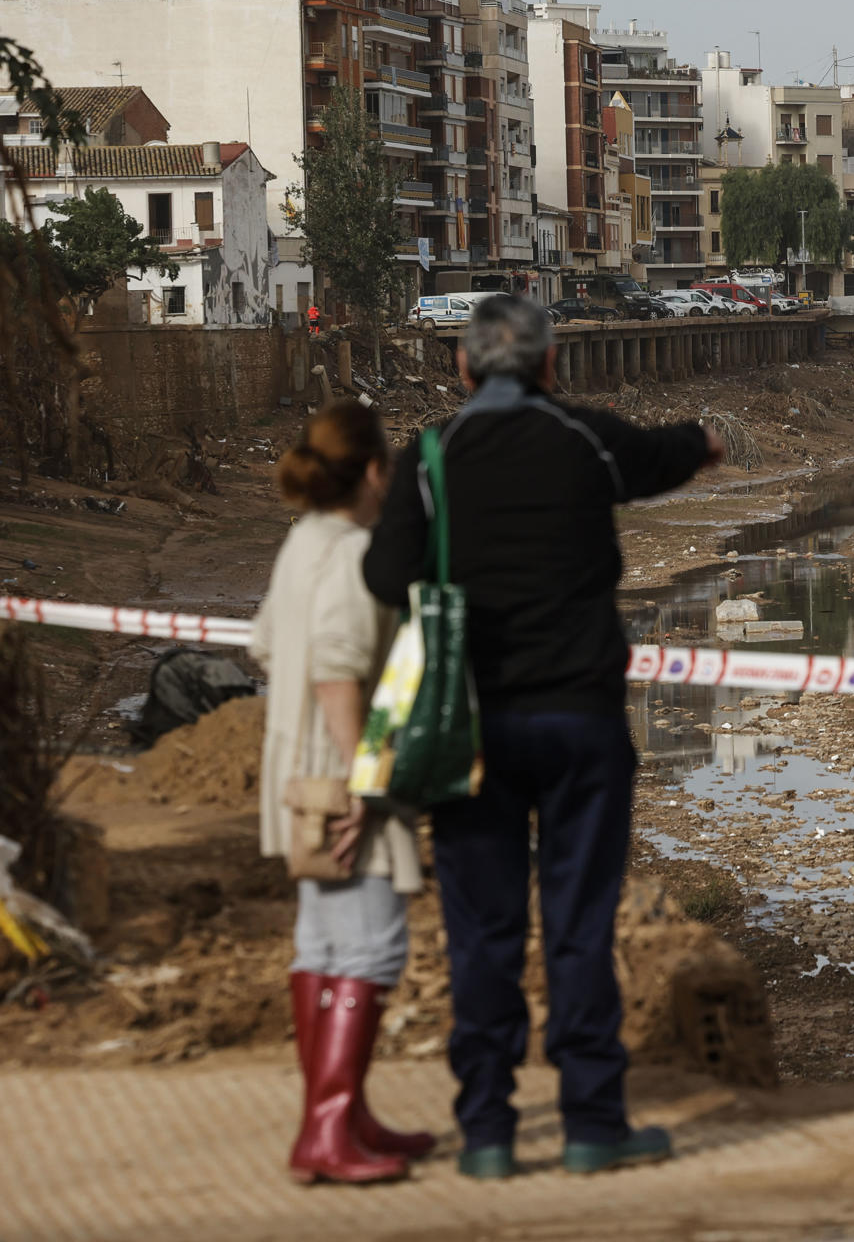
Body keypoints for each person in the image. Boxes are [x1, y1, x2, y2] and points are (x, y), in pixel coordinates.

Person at [363, 296, 722, 1180]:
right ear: (552, 367)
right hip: (580, 720)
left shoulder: (432, 458)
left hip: (469, 729)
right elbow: (665, 454)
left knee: (480, 931)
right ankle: (593, 1122)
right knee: (577, 922)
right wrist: (706, 440)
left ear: (463, 367)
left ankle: (487, 1130)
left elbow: (383, 574)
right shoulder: (585, 438)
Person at [252, 402, 429, 1186]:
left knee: (322, 943)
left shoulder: (302, 545)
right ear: (373, 472)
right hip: (343, 771)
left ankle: (341, 1114)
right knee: (371, 943)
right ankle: (325, 1131)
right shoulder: (359, 552)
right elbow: (335, 666)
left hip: (296, 770)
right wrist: (366, 779)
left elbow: (265, 645)